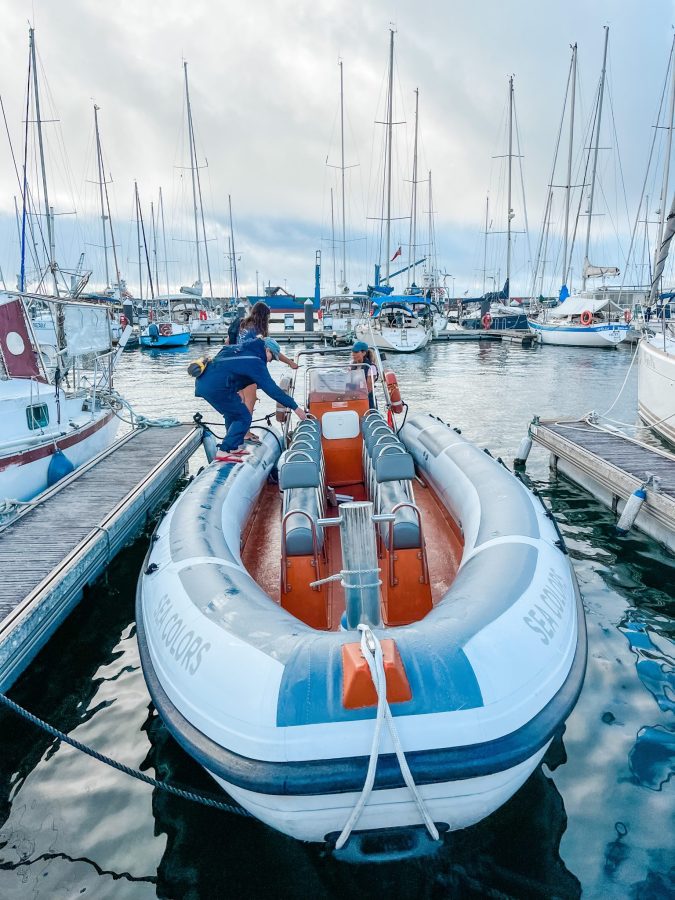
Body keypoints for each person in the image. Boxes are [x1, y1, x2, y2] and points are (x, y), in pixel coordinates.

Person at [194, 337, 306, 462]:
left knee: (232, 413)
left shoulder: (243, 350)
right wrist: (295, 407)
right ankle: (224, 450)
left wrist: (237, 389)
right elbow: (272, 390)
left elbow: (227, 366)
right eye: (272, 357)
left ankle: (233, 447)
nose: (270, 361)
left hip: (207, 383)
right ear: (267, 350)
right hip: (216, 387)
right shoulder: (256, 362)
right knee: (243, 416)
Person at [228, 301, 299, 441]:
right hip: (249, 370)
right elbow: (272, 350)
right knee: (250, 401)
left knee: (240, 401)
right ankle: (245, 433)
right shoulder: (258, 332)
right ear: (264, 316)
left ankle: (234, 432)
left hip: (233, 367)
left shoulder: (241, 325)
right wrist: (290, 363)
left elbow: (227, 342)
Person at [350, 340, 378, 408]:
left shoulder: (371, 368)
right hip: (353, 398)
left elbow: (369, 389)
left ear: (364, 353)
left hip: (367, 401)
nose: (353, 354)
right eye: (353, 352)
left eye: (356, 352)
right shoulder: (351, 365)